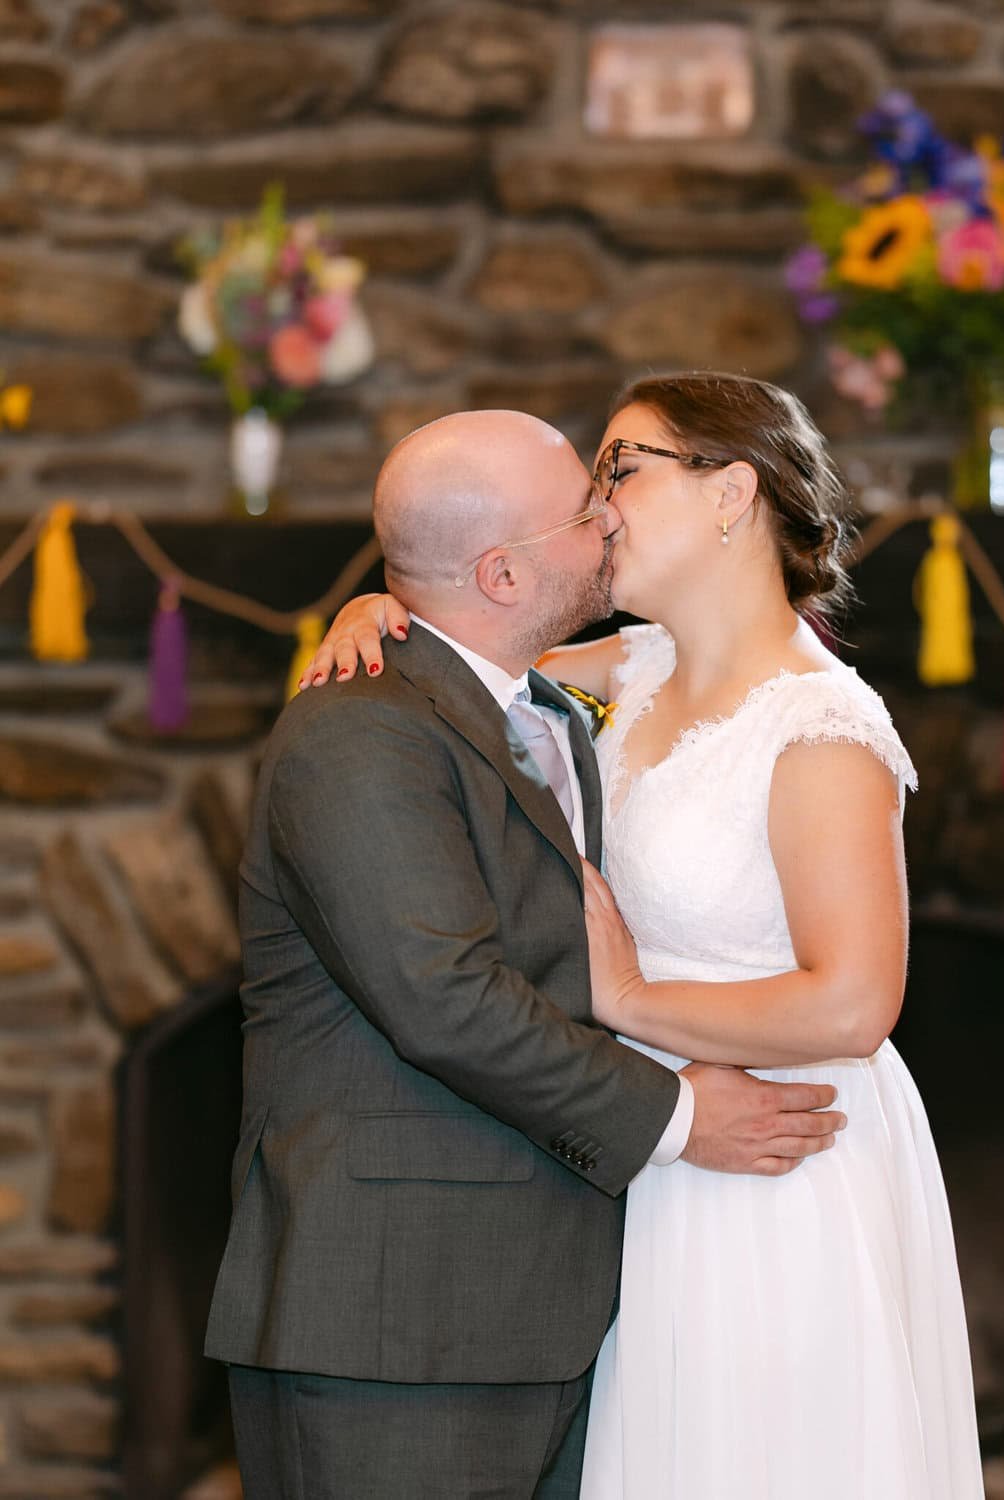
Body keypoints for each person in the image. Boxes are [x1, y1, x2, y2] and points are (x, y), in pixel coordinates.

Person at [305, 372, 986, 1498]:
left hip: (776, 1163)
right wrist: (382, 610)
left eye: (621, 468)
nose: (601, 504)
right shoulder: (639, 664)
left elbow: (856, 1005)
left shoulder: (822, 728)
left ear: (730, 494)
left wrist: (626, 1002)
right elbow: (471, 666)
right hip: (653, 1158)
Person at [206, 407, 845, 1500]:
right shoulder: (358, 732)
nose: (608, 525)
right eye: (583, 513)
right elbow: (445, 1001)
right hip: (395, 1324)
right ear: (501, 574)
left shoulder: (557, 704)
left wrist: (387, 597)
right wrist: (685, 1116)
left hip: (563, 1312)